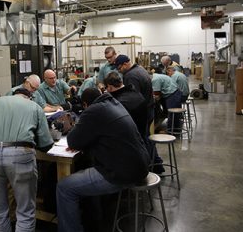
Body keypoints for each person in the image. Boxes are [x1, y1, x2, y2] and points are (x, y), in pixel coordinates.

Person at [56, 88, 150, 232]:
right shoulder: (114, 103)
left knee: (64, 188)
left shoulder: (93, 111)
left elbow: (73, 141)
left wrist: (72, 127)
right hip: (140, 165)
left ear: (86, 104)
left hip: (123, 173)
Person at [0, 88, 54, 232]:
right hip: (20, 154)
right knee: (25, 211)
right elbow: (46, 145)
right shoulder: (34, 107)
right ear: (29, 97)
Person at [104, 72, 147, 140]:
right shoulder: (136, 93)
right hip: (142, 134)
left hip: (129, 139)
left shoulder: (119, 103)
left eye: (106, 88)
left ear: (110, 87)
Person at [151, 67, 182, 133]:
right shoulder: (157, 75)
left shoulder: (155, 79)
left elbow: (156, 93)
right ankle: (175, 128)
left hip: (172, 94)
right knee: (173, 113)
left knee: (172, 113)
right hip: (175, 92)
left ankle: (170, 131)